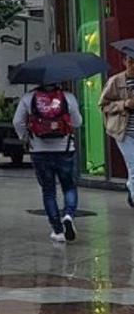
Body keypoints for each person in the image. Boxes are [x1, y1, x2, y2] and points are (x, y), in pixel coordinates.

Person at [13, 83, 83, 243]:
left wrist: (25, 137)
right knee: (69, 186)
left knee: (49, 191)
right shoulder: (68, 97)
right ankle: (68, 215)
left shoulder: (28, 98)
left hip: (39, 151)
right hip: (65, 150)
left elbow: (17, 122)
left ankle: (58, 231)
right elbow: (78, 122)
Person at [100, 49, 134, 208]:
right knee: (133, 165)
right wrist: (124, 104)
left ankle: (130, 186)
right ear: (124, 62)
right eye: (130, 61)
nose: (132, 65)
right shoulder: (116, 81)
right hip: (124, 132)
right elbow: (104, 106)